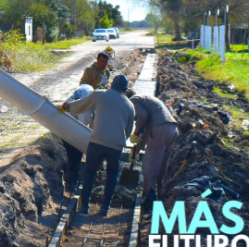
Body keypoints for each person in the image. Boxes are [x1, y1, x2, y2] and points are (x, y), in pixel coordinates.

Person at [61, 75, 135, 217]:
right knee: (112, 175)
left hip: (97, 142)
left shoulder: (100, 94)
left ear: (112, 85)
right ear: (125, 89)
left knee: (89, 172)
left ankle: (85, 207)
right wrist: (119, 141)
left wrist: (67, 106)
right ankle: (104, 208)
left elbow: (82, 105)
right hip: (116, 147)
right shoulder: (130, 105)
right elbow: (129, 130)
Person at [127, 90, 180, 207]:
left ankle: (150, 197)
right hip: (173, 129)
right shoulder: (148, 99)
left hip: (160, 129)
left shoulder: (133, 100)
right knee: (161, 164)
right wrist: (138, 148)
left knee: (150, 165)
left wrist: (135, 134)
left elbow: (142, 117)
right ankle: (161, 192)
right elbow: (147, 128)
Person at [61, 84, 95, 194]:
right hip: (69, 128)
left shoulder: (87, 90)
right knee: (75, 156)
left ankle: (72, 181)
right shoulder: (86, 105)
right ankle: (71, 184)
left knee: (74, 156)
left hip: (61, 122)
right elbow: (82, 128)